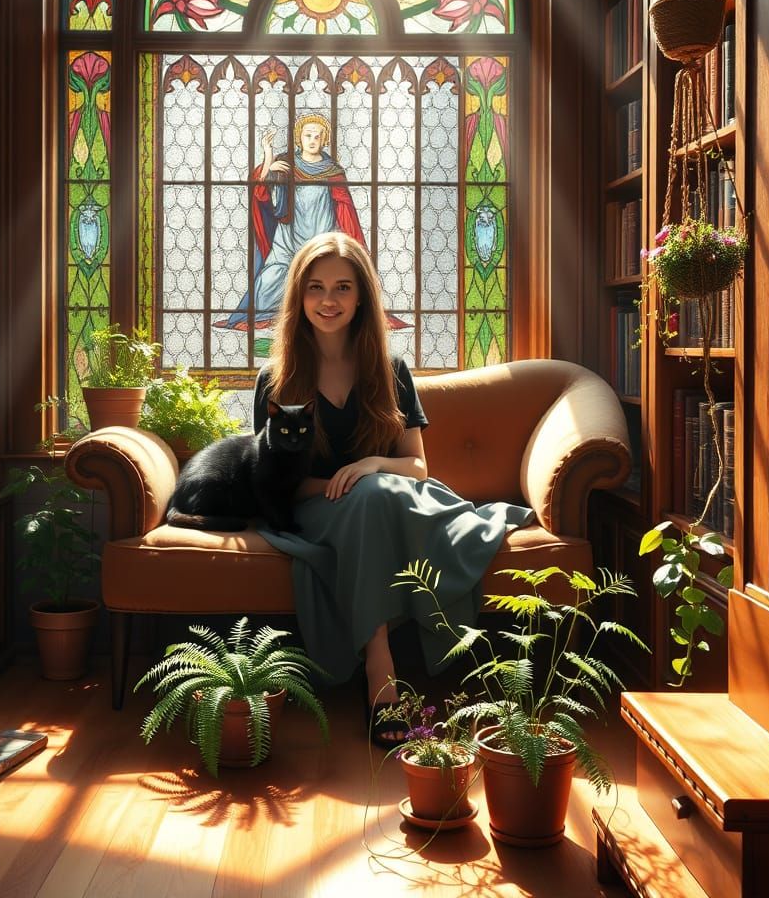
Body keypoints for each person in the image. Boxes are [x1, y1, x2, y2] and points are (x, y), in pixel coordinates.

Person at [252, 232, 533, 747]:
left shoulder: (390, 369)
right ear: (299, 296)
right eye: (315, 288)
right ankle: (381, 669)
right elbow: (273, 486)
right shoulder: (276, 378)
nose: (329, 300)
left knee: (377, 495)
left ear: (362, 297)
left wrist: (373, 465)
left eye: (342, 287)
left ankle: (377, 665)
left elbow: (418, 468)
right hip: (315, 509)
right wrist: (342, 483)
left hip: (387, 501)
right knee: (369, 499)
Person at [218, 113, 366, 331]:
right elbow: (261, 192)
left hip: (321, 238)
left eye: (318, 136)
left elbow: (344, 209)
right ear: (299, 138)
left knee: (325, 290)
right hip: (286, 240)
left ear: (324, 140)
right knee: (266, 286)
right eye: (308, 135)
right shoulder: (286, 164)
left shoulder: (332, 171)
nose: (313, 140)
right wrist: (269, 162)